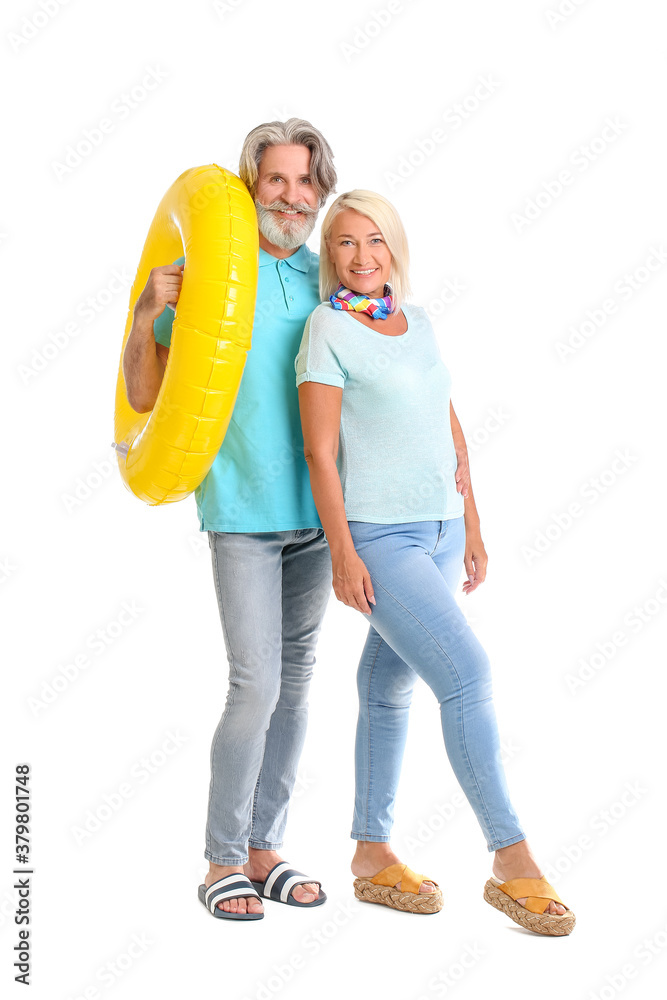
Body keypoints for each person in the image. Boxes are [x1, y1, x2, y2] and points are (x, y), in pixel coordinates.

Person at [295, 190, 576, 935]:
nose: (361, 257)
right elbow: (320, 454)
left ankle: (370, 851)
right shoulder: (326, 331)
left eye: (374, 242)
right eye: (346, 244)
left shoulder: (415, 320)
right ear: (331, 256)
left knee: (385, 687)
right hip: (380, 539)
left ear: (393, 248)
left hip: (443, 531)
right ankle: (511, 859)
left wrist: (472, 525)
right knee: (467, 675)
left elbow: (445, 420)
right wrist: (343, 554)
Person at [122, 119, 338, 921]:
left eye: (303, 182)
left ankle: (264, 847)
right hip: (243, 515)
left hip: (321, 519)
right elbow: (145, 397)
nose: (291, 196)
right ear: (251, 190)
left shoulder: (328, 279)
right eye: (275, 181)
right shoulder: (218, 280)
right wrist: (149, 311)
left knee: (296, 689)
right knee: (255, 685)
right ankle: (220, 863)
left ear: (320, 192)